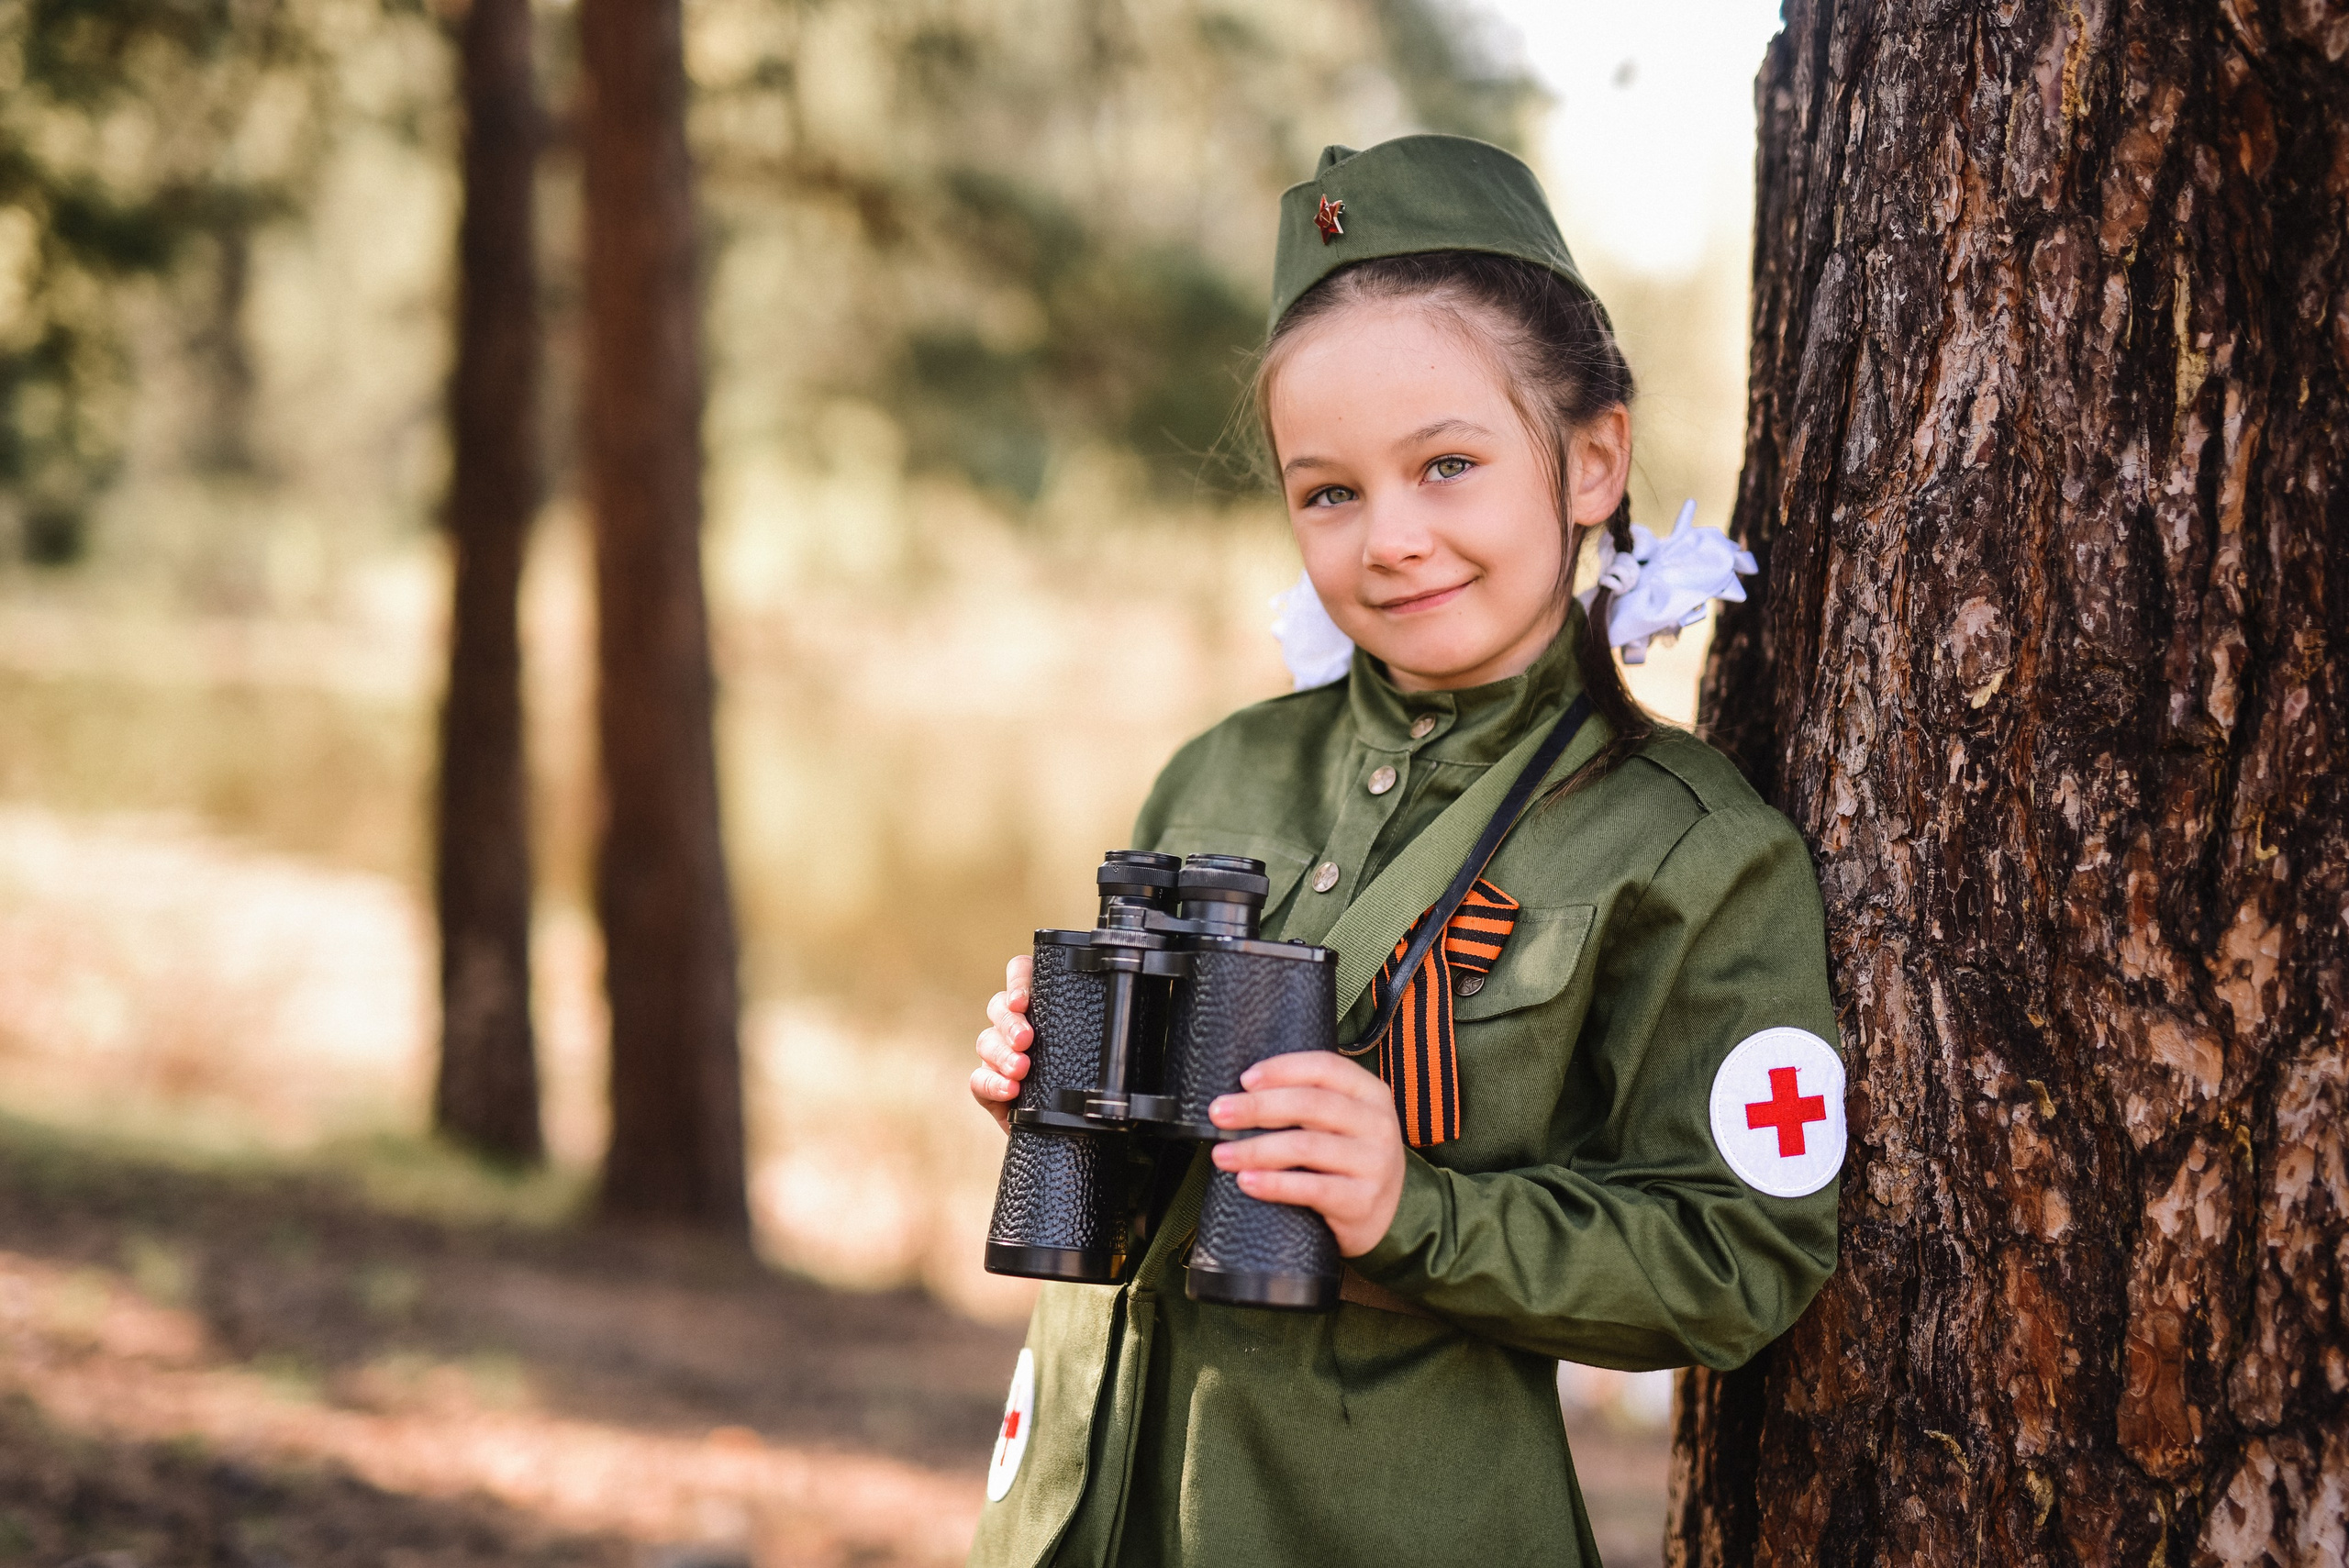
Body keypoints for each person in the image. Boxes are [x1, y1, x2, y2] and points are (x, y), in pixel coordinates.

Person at [964, 134, 1842, 1568]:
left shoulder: (1687, 850)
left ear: (1593, 460)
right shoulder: (1219, 771)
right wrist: (1062, 1090)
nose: (1391, 539)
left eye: (1447, 465)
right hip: (1084, 1504)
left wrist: (1414, 1211)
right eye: (1330, 492)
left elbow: (1743, 1254)